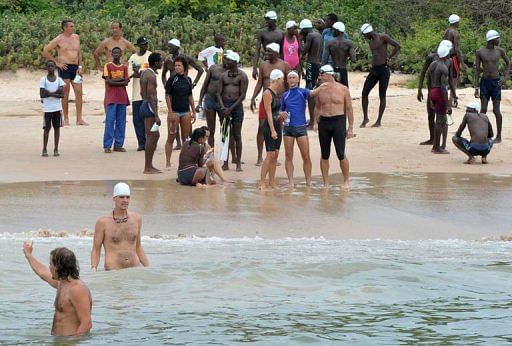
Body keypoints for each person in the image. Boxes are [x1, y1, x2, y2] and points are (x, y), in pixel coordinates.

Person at [23, 242, 92, 336]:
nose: (49, 267)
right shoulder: (61, 284)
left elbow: (86, 324)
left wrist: (72, 342)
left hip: (69, 342)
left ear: (58, 267)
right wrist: (28, 255)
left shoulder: (77, 289)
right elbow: (42, 272)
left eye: (50, 264)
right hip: (59, 341)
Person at [310, 65, 355, 189]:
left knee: (341, 153)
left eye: (322, 74)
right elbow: (317, 106)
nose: (320, 77)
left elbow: (349, 109)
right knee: (324, 154)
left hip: (338, 121)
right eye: (320, 74)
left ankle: (346, 181)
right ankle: (326, 183)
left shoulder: (343, 89)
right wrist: (315, 121)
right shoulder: (320, 90)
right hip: (324, 122)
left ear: (330, 75)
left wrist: (350, 128)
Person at [91, 182, 150, 270]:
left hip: (134, 271)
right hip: (113, 272)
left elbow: (138, 246)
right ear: (114, 199)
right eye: (121, 197)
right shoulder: (103, 222)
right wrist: (94, 268)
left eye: (128, 197)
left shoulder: (136, 219)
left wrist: (149, 268)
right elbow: (96, 249)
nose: (125, 200)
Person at [250, 43, 290, 166]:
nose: (266, 54)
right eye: (266, 51)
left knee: (278, 126)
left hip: (280, 100)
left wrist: (288, 101)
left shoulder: (284, 65)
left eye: (269, 51)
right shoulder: (263, 65)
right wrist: (253, 97)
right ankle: (259, 156)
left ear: (276, 52)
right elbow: (260, 82)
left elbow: (288, 84)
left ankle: (274, 154)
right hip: (266, 99)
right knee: (262, 127)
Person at [42, 19, 87, 126]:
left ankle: (79, 118)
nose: (73, 28)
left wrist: (80, 66)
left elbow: (79, 52)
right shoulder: (59, 39)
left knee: (79, 93)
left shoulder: (76, 37)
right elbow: (45, 51)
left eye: (73, 26)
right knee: (65, 93)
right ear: (65, 27)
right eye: (71, 26)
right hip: (65, 68)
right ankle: (66, 118)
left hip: (76, 68)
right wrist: (57, 63)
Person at [162, 38, 204, 149]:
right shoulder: (168, 60)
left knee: (185, 116)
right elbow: (163, 75)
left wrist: (193, 83)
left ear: (177, 47)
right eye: (168, 46)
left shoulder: (185, 58)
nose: (169, 48)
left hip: (184, 89)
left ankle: (188, 141)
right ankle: (178, 143)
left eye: (171, 46)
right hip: (172, 91)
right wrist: (167, 86)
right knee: (174, 117)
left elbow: (200, 69)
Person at [360, 23, 401, 128]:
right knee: (364, 93)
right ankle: (365, 118)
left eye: (364, 35)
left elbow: (397, 46)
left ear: (368, 33)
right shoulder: (371, 41)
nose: (364, 37)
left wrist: (390, 57)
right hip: (374, 70)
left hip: (383, 69)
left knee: (382, 95)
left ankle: (378, 120)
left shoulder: (383, 37)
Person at [417, 40, 457, 145]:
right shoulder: (432, 58)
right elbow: (424, 74)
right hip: (436, 90)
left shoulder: (449, 61)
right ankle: (434, 140)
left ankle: (441, 143)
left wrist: (454, 95)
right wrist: (420, 89)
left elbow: (450, 80)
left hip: (438, 90)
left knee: (441, 117)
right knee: (432, 115)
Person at [474, 30, 510, 143]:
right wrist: (476, 86)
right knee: (483, 110)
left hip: (496, 83)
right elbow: (476, 70)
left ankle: (498, 136)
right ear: (491, 40)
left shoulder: (500, 51)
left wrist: (504, 77)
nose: (499, 40)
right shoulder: (480, 52)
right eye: (497, 38)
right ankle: (482, 135)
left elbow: (508, 63)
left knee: (496, 110)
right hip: (484, 82)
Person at [217, 51, 249, 171]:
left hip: (236, 107)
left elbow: (243, 95)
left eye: (229, 60)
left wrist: (230, 108)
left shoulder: (242, 76)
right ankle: (225, 162)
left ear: (235, 62)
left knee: (237, 135)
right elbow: (218, 93)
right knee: (225, 135)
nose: (227, 62)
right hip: (224, 107)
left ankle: (238, 163)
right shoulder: (223, 76)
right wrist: (223, 107)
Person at [280, 71, 312, 187]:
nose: (292, 80)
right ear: (287, 81)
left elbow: (314, 93)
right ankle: (291, 182)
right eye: (290, 78)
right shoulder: (285, 95)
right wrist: (281, 114)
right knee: (288, 156)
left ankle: (308, 181)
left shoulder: (303, 92)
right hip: (288, 128)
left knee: (306, 156)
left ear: (298, 80)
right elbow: (281, 110)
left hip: (301, 128)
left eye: (294, 78)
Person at [165, 56, 197, 168]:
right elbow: (167, 95)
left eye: (179, 65)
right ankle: (168, 162)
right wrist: (170, 111)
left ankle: (184, 162)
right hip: (174, 112)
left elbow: (190, 95)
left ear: (184, 67)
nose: (177, 67)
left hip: (186, 112)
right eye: (175, 65)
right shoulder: (172, 80)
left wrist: (193, 110)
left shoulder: (188, 80)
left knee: (185, 138)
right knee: (171, 137)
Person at [259, 69, 286, 190]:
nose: (283, 81)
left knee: (275, 154)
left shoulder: (276, 92)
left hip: (277, 124)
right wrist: (272, 130)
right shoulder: (267, 93)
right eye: (282, 78)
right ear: (278, 79)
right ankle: (262, 182)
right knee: (270, 154)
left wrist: (281, 114)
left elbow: (275, 112)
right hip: (269, 126)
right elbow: (268, 113)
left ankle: (272, 181)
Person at [102, 47, 130, 153]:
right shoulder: (108, 66)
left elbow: (126, 82)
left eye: (118, 52)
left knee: (121, 122)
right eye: (114, 52)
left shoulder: (124, 67)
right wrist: (121, 80)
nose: (116, 54)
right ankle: (107, 145)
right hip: (111, 98)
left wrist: (115, 81)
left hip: (122, 98)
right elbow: (108, 81)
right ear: (112, 54)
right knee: (109, 121)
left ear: (121, 54)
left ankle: (118, 144)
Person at [426, 44, 452, 154]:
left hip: (432, 91)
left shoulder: (433, 64)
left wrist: (431, 97)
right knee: (440, 120)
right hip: (440, 92)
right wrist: (447, 104)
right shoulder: (444, 68)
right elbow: (444, 88)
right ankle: (436, 147)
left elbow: (428, 79)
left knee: (440, 119)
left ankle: (438, 146)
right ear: (446, 55)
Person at [140, 53, 163, 174]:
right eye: (161, 61)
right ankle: (147, 167)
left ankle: (150, 165)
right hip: (149, 107)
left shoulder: (144, 72)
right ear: (156, 63)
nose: (162, 63)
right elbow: (150, 95)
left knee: (155, 135)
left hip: (145, 105)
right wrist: (156, 114)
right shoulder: (151, 76)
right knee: (151, 136)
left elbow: (142, 93)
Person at [197, 59, 228, 148]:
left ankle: (224, 154)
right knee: (210, 130)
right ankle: (210, 154)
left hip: (223, 102)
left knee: (225, 129)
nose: (226, 61)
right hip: (210, 99)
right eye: (226, 59)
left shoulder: (231, 72)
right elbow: (205, 85)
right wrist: (199, 101)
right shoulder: (213, 68)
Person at [128, 36, 152, 151]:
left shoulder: (150, 55)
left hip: (148, 93)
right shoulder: (133, 57)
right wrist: (139, 72)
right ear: (138, 45)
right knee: (137, 120)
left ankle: (150, 141)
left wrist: (138, 71)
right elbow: (130, 73)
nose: (145, 46)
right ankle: (141, 143)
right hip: (136, 94)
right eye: (143, 44)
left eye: (146, 44)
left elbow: (148, 72)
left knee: (149, 119)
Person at [299, 19, 322, 127]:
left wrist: (300, 40)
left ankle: (312, 122)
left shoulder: (309, 36)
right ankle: (315, 119)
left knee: (309, 92)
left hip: (311, 64)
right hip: (318, 64)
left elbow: (303, 51)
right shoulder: (318, 35)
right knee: (315, 90)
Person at [40, 61, 65, 157]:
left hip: (57, 108)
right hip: (47, 109)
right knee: (47, 128)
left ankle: (56, 149)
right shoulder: (43, 80)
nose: (50, 67)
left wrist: (49, 93)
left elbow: (62, 95)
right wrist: (55, 93)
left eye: (52, 66)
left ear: (55, 67)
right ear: (47, 67)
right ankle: (44, 149)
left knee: (57, 128)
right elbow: (42, 94)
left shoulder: (59, 80)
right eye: (49, 66)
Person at [252, 11, 285, 80]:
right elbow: (257, 50)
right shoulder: (262, 32)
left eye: (268, 19)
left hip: (278, 61)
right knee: (266, 81)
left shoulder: (281, 33)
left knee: (279, 82)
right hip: (267, 60)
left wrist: (283, 65)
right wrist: (254, 68)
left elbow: (282, 51)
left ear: (274, 20)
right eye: (266, 19)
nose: (266, 21)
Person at [321, 21, 355, 87]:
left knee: (333, 90)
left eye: (333, 30)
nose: (332, 32)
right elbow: (353, 59)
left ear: (337, 31)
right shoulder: (349, 43)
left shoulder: (330, 43)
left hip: (333, 70)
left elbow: (324, 60)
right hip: (343, 70)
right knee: (344, 90)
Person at [443, 14, 465, 89]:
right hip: (453, 57)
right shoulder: (455, 33)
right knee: (455, 77)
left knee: (446, 75)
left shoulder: (446, 31)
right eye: (458, 22)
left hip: (445, 56)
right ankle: (452, 97)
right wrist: (462, 62)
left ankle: (445, 93)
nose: (459, 23)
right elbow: (457, 49)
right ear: (456, 23)